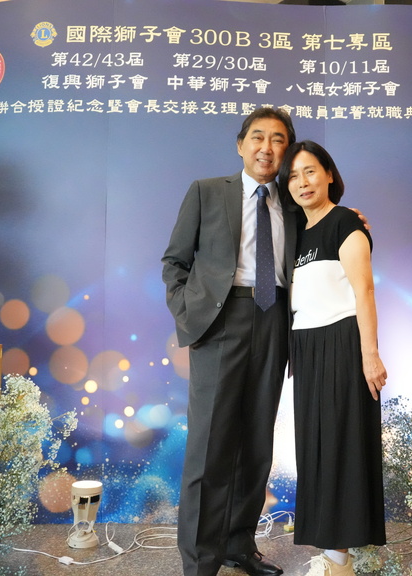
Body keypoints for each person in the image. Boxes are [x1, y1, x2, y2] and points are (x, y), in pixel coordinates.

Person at [161, 107, 296, 576]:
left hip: (275, 319)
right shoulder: (206, 191)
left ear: (287, 150)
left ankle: (240, 544)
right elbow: (175, 262)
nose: (267, 148)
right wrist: (190, 315)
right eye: (258, 137)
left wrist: (355, 223)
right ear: (241, 145)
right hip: (222, 319)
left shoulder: (293, 201)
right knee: (210, 445)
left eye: (278, 140)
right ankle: (201, 560)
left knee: (257, 443)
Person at [277, 141, 387, 576]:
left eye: (310, 171)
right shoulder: (296, 233)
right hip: (307, 350)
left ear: (328, 175)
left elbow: (365, 291)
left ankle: (338, 561)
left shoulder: (344, 223)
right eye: (293, 176)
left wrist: (370, 355)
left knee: (341, 446)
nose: (302, 182)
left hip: (341, 345)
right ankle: (333, 554)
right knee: (316, 450)